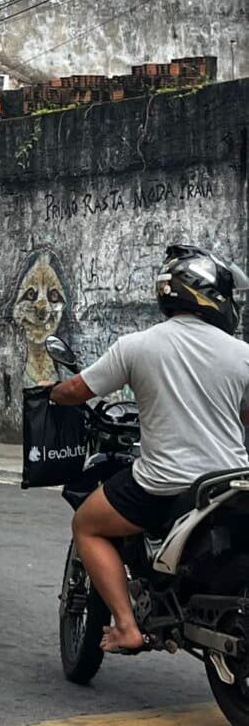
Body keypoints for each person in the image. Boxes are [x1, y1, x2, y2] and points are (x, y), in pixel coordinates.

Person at [48, 244, 249, 653]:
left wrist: (52, 394)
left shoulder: (138, 346)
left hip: (164, 486)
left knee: (86, 524)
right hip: (230, 483)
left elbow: (78, 389)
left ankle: (126, 625)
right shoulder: (242, 354)